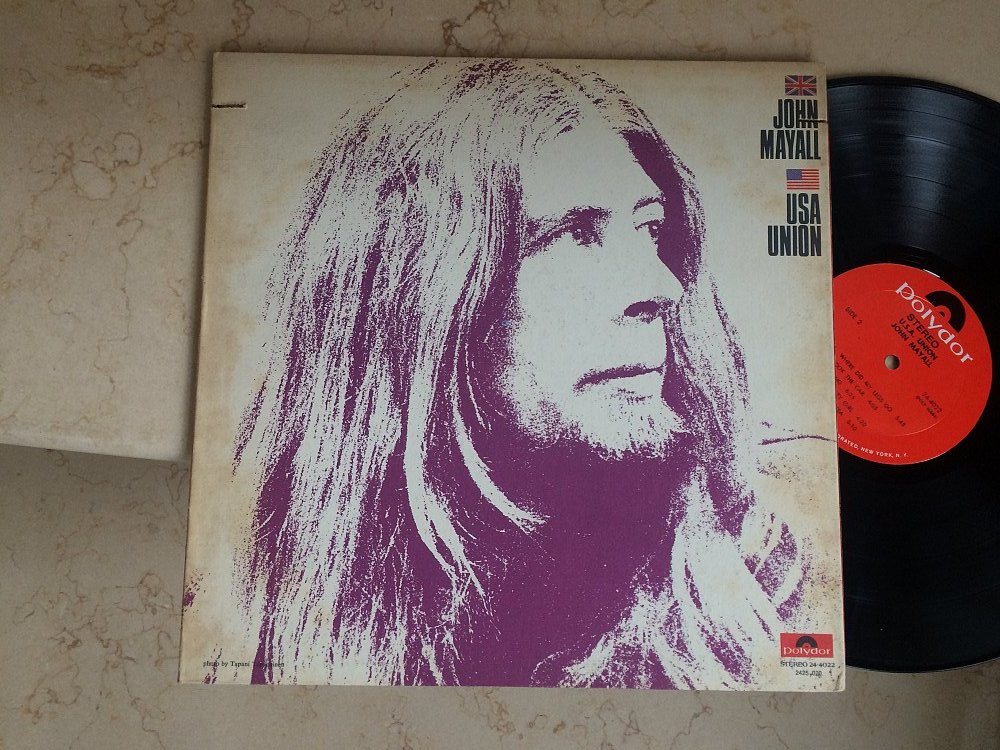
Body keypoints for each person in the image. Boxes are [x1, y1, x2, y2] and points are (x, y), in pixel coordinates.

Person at [232, 58, 809, 688]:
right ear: (423, 299)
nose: (660, 286)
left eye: (649, 228)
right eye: (576, 233)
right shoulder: (255, 612)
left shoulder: (788, 546)